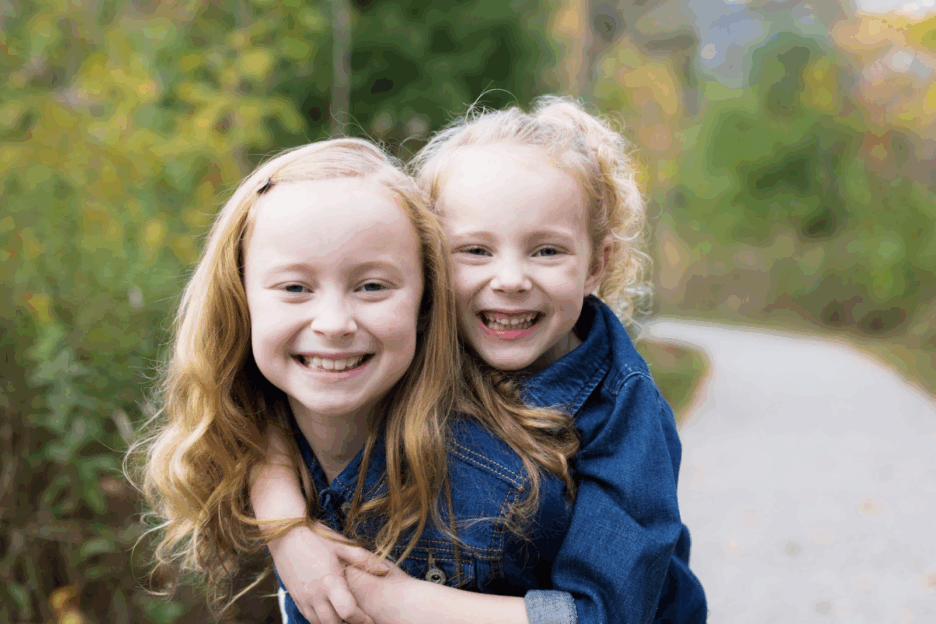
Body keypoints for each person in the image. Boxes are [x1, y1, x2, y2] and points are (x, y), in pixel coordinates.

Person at [253, 97, 707, 624]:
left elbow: (606, 614)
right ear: (425, 259)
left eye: (547, 251)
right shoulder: (402, 338)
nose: (511, 279)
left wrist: (395, 602)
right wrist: (288, 535)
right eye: (474, 250)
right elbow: (261, 411)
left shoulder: (622, 413)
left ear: (595, 264)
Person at [131, 138, 579, 622]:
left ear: (427, 304)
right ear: (241, 303)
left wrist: (388, 600)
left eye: (371, 286)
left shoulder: (502, 489)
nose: (333, 323)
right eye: (295, 288)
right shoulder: (252, 434)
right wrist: (287, 530)